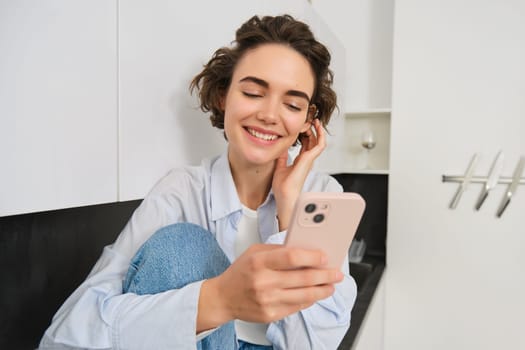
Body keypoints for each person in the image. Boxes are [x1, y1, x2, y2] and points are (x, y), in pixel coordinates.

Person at [39, 14, 357, 350]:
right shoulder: (182, 192)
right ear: (223, 96)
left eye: (292, 104)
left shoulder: (322, 196)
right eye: (252, 92)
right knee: (182, 246)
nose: (270, 115)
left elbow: (314, 343)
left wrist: (290, 212)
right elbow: (65, 335)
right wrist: (217, 300)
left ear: (308, 120)